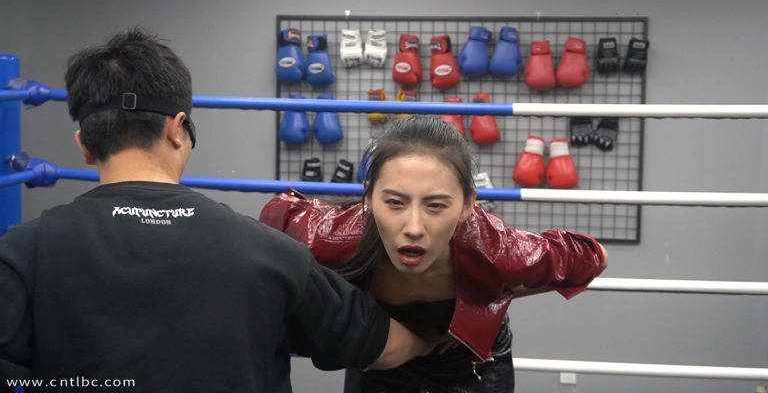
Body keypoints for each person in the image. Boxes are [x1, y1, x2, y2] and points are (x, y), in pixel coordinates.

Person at [0, 29, 438, 393]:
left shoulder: (23, 253)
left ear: (84, 146)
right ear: (178, 129)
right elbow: (379, 342)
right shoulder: (268, 252)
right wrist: (434, 340)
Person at [260, 115, 609, 393]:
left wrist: (493, 296)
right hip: (381, 360)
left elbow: (592, 256)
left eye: (436, 205)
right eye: (394, 202)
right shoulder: (330, 237)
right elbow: (277, 214)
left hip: (469, 363)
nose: (414, 227)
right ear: (369, 197)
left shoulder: (496, 249)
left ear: (468, 205)